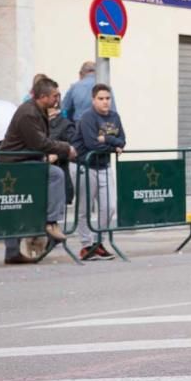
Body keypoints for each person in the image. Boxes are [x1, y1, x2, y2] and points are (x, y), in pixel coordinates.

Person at [0, 77, 75, 264]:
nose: (58, 99)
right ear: (43, 96)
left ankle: (13, 252)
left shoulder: (38, 110)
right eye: (55, 96)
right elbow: (39, 142)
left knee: (19, 205)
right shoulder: (28, 113)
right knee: (55, 175)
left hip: (25, 161)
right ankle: (51, 222)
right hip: (15, 164)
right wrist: (66, 148)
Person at [72, 83, 125, 260]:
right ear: (93, 100)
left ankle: (98, 242)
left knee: (109, 206)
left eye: (108, 98)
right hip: (86, 166)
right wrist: (113, 145)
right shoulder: (87, 117)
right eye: (101, 99)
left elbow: (122, 140)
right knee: (84, 208)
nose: (105, 102)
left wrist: (107, 138)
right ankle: (86, 246)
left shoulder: (115, 117)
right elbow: (92, 144)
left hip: (104, 166)